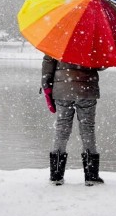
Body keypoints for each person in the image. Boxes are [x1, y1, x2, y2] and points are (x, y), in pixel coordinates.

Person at [41, 54, 105, 186]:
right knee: (88, 129)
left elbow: (48, 64)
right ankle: (91, 175)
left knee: (62, 129)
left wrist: (46, 86)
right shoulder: (93, 39)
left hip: (63, 90)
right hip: (86, 90)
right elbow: (101, 65)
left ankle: (56, 175)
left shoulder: (57, 40)